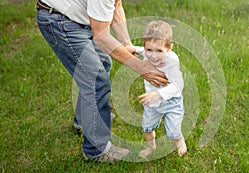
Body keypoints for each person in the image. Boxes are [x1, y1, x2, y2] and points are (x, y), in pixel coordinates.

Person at [36, 0, 168, 163]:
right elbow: (101, 36)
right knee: (96, 81)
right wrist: (140, 68)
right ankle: (96, 150)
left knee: (103, 63)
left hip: (78, 19)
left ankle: (85, 121)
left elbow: (116, 6)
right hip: (59, 19)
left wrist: (127, 45)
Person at [133, 20, 187, 158]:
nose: (153, 55)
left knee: (173, 131)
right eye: (149, 50)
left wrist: (158, 93)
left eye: (159, 51)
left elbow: (177, 85)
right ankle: (151, 147)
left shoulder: (172, 61)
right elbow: (141, 50)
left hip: (171, 102)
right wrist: (133, 49)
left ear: (169, 49)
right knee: (147, 129)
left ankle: (179, 140)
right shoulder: (147, 52)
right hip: (152, 104)